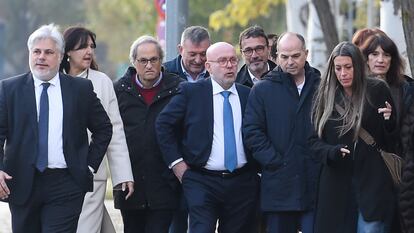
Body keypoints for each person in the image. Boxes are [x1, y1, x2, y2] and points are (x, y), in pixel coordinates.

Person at [0, 23, 112, 233]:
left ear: (60, 56)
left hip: (66, 184)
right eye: (37, 52)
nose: (41, 57)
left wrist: (88, 166)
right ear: (30, 54)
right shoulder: (9, 89)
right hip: (23, 182)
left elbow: (104, 128)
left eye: (49, 52)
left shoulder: (80, 89)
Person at [156, 42, 259, 233]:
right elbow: (163, 125)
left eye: (232, 60)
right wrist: (177, 164)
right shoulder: (191, 92)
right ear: (208, 66)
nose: (229, 65)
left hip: (242, 181)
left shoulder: (248, 95)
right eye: (222, 61)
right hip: (202, 180)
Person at [309, 41, 396, 233]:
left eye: (348, 67)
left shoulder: (377, 90)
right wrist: (331, 152)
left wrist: (390, 122)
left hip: (372, 184)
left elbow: (392, 141)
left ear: (357, 65)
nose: (343, 74)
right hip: (336, 186)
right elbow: (312, 142)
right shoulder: (324, 95)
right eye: (338, 68)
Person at [243, 32, 321, 233]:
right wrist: (274, 161)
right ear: (276, 56)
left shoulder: (321, 88)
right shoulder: (262, 90)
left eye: (295, 56)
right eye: (284, 57)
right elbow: (252, 131)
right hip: (278, 185)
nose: (290, 62)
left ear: (306, 53)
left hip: (314, 183)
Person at [59, 26, 134, 233]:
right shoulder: (53, 81)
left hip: (91, 172)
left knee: (84, 227)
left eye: (92, 46)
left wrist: (123, 174)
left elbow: (115, 130)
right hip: (57, 174)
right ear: (67, 51)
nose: (89, 51)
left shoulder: (102, 82)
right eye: (82, 47)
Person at [113, 35, 183, 233]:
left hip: (164, 183)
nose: (149, 65)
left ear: (161, 61)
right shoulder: (119, 90)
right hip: (130, 184)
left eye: (154, 59)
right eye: (143, 60)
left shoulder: (178, 88)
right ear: (134, 62)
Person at [163, 25, 211, 233]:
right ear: (180, 49)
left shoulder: (217, 73)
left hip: (206, 164)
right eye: (192, 54)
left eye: (203, 54)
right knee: (176, 223)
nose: (198, 60)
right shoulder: (164, 74)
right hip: (172, 163)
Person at [359, 32, 414, 153]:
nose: (380, 60)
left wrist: (390, 119)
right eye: (374, 54)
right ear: (366, 59)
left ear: (392, 60)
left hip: (397, 161)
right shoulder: (356, 87)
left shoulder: (405, 89)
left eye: (386, 55)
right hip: (364, 161)